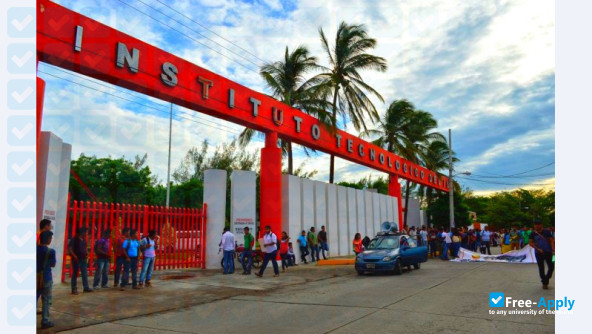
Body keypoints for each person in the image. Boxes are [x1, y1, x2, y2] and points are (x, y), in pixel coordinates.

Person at [37, 231, 56, 329]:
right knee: (46, 300)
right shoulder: (51, 251)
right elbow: (53, 264)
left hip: (35, 277)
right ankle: (45, 321)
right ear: (48, 239)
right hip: (46, 278)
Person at [529, 221, 555, 289]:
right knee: (541, 267)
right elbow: (531, 243)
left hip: (549, 252)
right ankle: (545, 283)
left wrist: (553, 250)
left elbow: (552, 240)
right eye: (535, 225)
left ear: (541, 225)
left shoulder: (547, 231)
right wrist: (538, 249)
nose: (536, 226)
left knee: (552, 266)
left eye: (538, 225)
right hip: (538, 253)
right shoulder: (533, 233)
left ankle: (546, 279)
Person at [68, 227, 92, 294]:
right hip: (77, 259)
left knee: (84, 274)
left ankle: (86, 287)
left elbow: (85, 247)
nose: (87, 233)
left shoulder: (84, 239)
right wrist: (74, 255)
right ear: (82, 232)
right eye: (86, 232)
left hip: (83, 259)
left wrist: (86, 252)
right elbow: (69, 248)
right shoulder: (74, 239)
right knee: (75, 274)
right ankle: (74, 288)